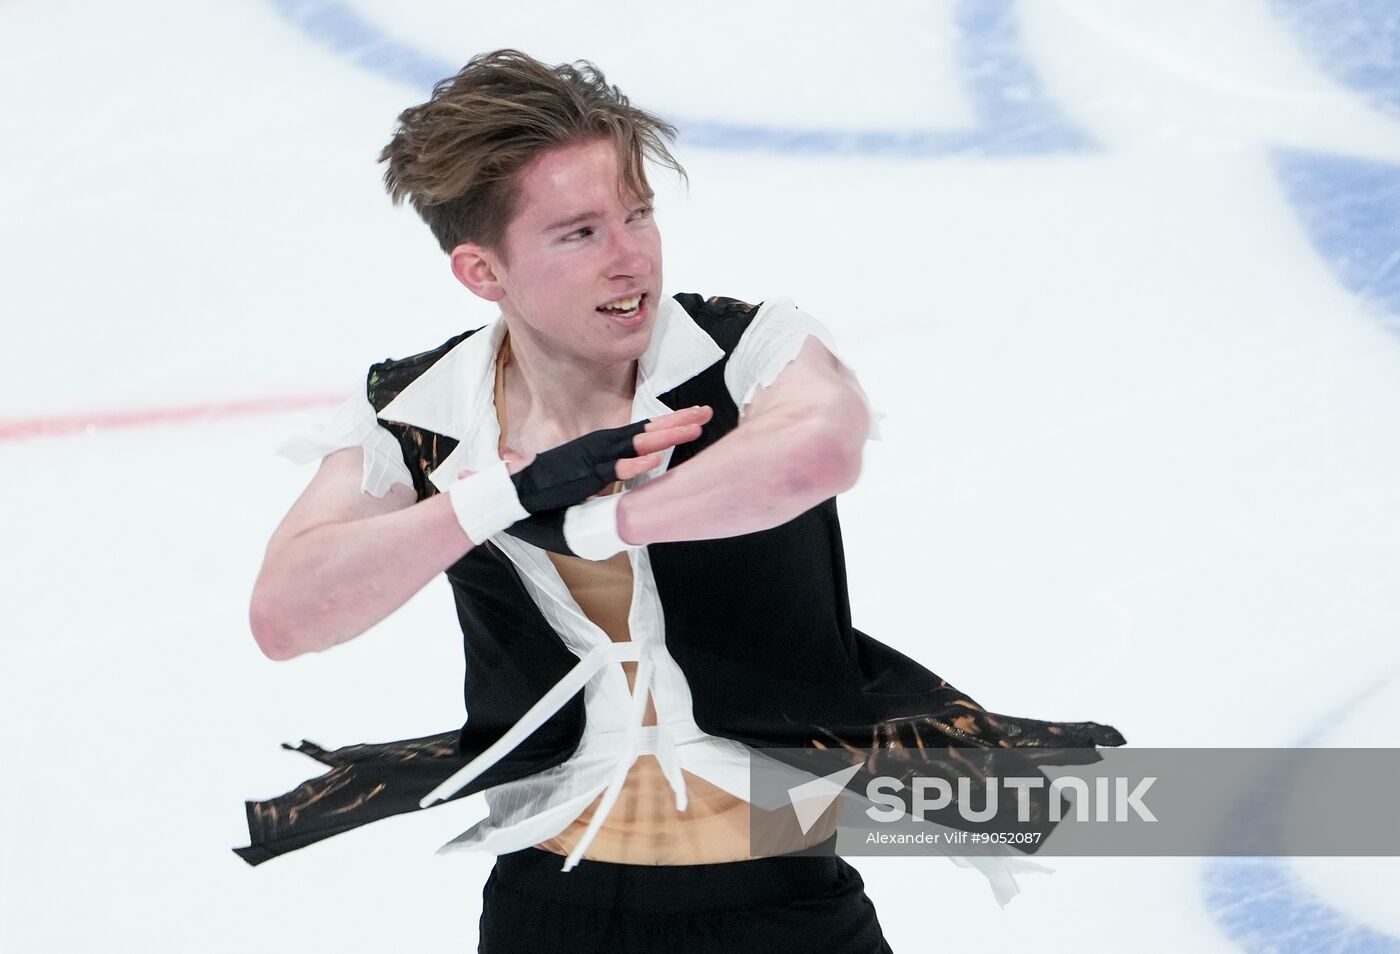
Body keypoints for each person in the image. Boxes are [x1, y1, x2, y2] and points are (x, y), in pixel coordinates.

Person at [237, 49, 1123, 953]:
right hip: (552, 905)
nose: (631, 258)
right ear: (483, 271)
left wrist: (596, 517)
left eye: (639, 213)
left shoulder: (743, 349)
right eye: (579, 234)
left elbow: (816, 449)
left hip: (781, 901)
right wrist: (501, 495)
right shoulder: (421, 409)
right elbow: (287, 615)